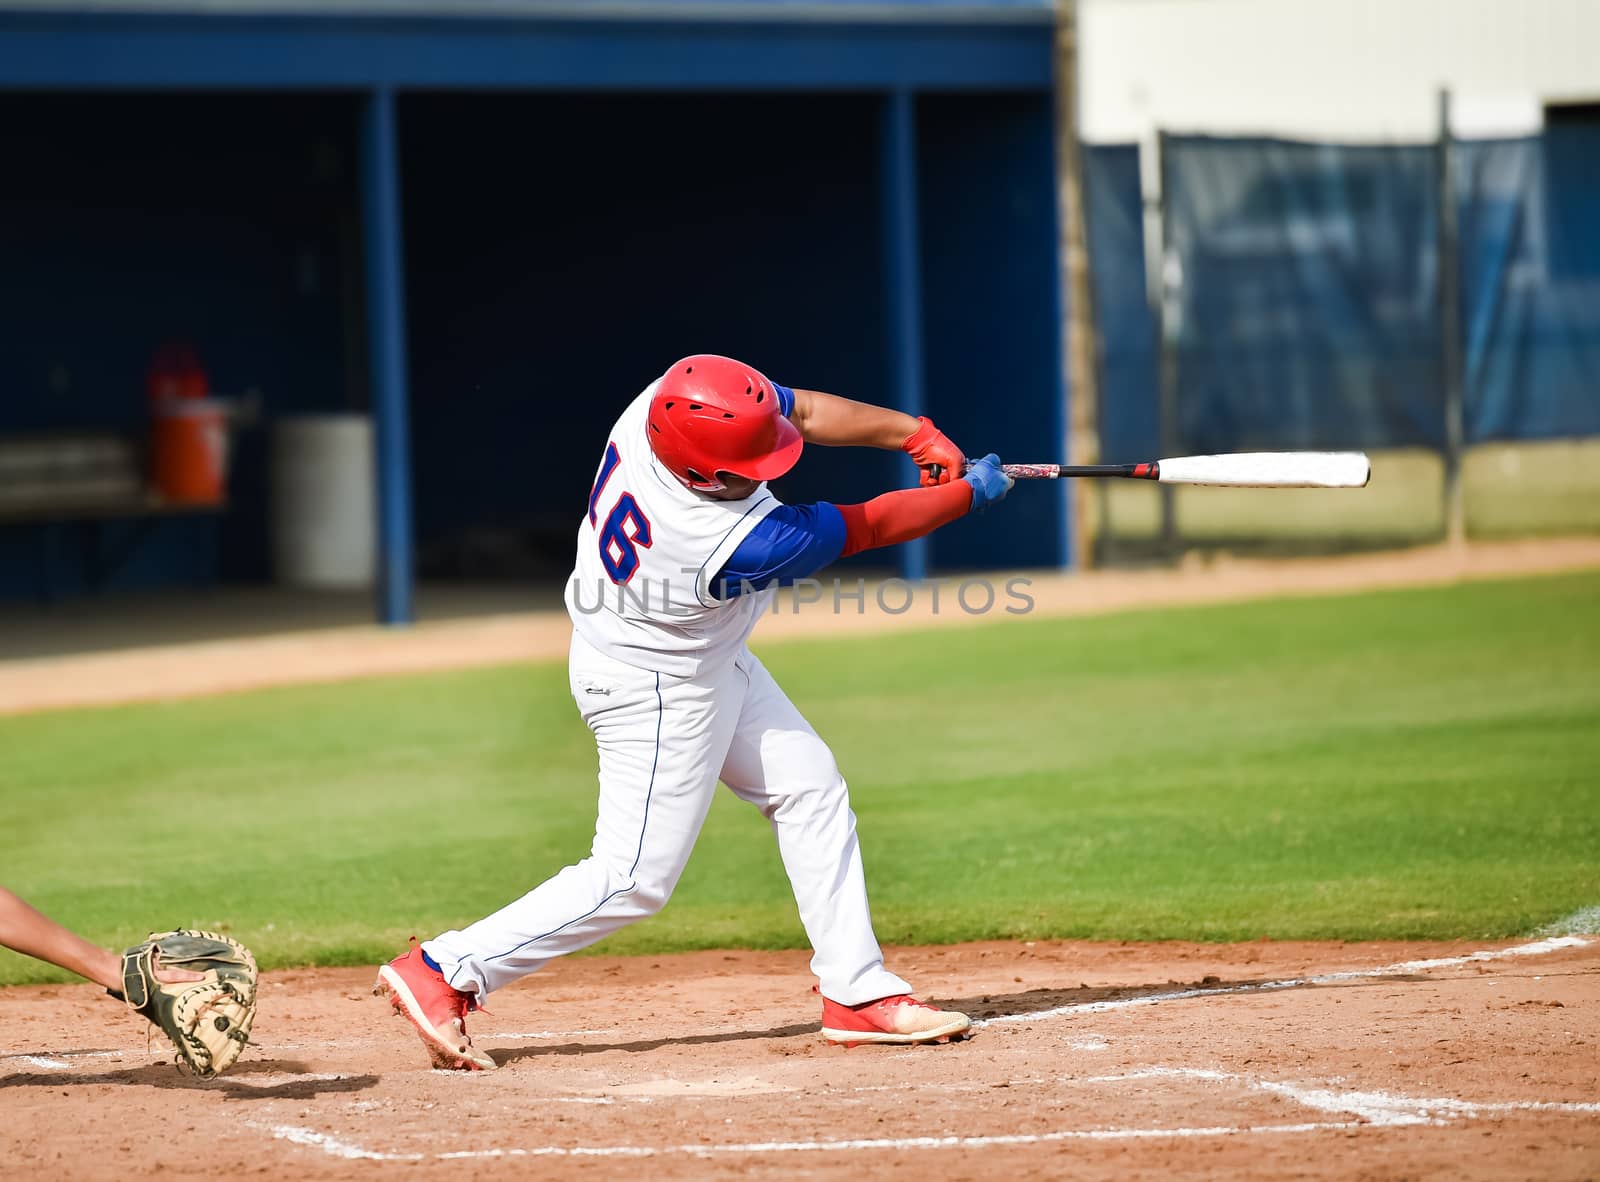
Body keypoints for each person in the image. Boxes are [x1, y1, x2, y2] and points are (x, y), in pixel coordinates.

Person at [375, 354, 1013, 1070]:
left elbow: (798, 409)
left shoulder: (670, 399)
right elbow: (864, 526)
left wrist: (915, 434)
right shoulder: (728, 541)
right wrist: (968, 497)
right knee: (631, 879)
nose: (769, 468)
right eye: (748, 465)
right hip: (655, 686)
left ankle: (856, 992)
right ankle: (444, 970)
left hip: (695, 653)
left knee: (810, 786)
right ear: (702, 476)